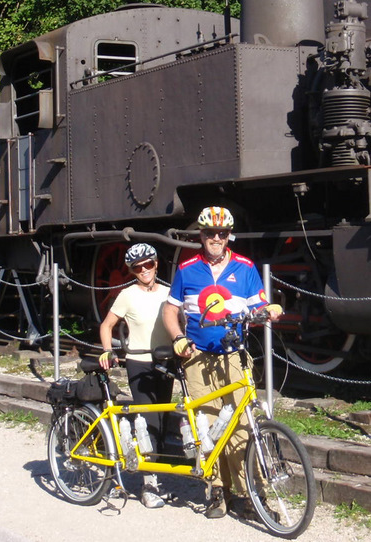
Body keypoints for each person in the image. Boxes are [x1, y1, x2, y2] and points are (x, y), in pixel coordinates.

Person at [162, 206, 281, 520]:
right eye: (209, 233)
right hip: (197, 357)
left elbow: (259, 303)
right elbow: (170, 310)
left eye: (222, 233)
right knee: (207, 425)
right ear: (200, 235)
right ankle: (216, 491)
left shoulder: (245, 267)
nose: (216, 238)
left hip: (234, 356)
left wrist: (270, 309)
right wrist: (177, 337)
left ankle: (250, 496)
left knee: (243, 426)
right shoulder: (187, 269)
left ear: (230, 235)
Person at [98, 243, 173, 508]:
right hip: (139, 363)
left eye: (148, 265)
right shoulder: (127, 295)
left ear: (156, 264)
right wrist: (108, 352)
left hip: (166, 362)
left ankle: (156, 472)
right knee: (147, 418)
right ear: (131, 271)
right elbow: (106, 325)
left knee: (163, 419)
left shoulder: (168, 292)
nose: (144, 270)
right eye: (138, 268)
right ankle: (148, 485)